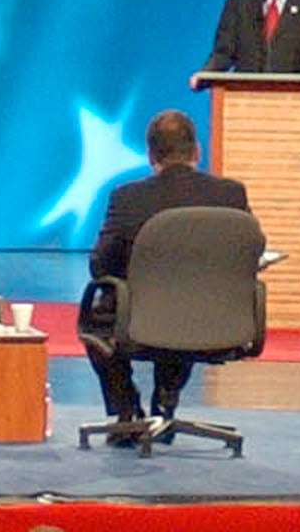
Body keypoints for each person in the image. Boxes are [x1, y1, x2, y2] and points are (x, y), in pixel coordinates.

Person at [79, 110, 251, 438]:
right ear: (197, 152)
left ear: (150, 156)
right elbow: (249, 253)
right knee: (185, 301)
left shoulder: (127, 198)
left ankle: (127, 412)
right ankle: (165, 404)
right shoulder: (231, 194)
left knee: (99, 317)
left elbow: (101, 267)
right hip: (214, 319)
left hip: (143, 318)